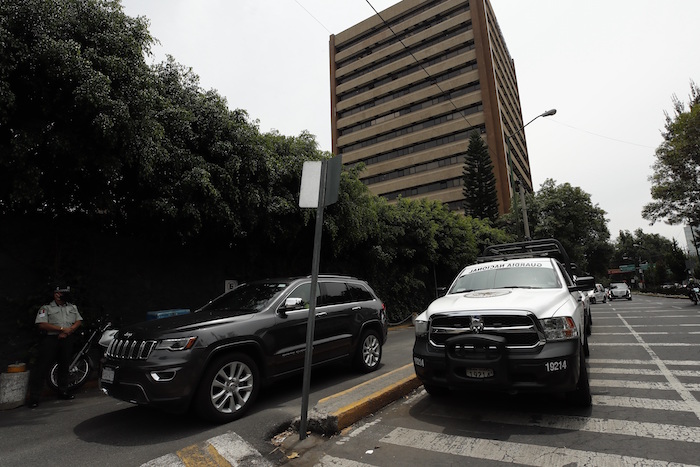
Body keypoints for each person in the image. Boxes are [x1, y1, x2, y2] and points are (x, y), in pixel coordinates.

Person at [28, 285, 83, 408]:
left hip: (67, 339)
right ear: (56, 294)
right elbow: (42, 324)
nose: (66, 295)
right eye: (63, 293)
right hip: (51, 339)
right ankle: (34, 397)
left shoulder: (72, 307)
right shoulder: (46, 308)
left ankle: (63, 391)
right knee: (41, 367)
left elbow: (78, 320)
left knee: (64, 366)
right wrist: (62, 329)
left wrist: (69, 331)